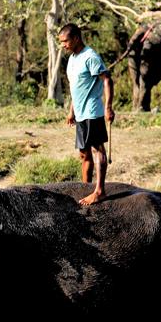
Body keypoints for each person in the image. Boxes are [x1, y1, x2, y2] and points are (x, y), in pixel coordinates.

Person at [59, 23, 115, 206]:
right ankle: (85, 188)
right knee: (84, 154)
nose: (63, 45)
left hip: (93, 111)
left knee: (97, 149)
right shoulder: (73, 58)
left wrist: (108, 107)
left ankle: (100, 191)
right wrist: (71, 111)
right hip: (81, 113)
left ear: (76, 38)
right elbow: (77, 86)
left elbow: (107, 80)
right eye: (61, 42)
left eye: (65, 41)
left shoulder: (90, 57)